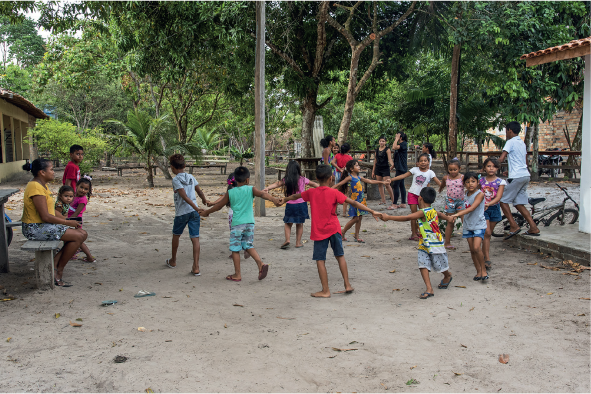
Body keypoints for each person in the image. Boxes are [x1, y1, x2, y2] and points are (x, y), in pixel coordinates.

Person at [279, 164, 380, 298]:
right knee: (340, 256)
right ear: (331, 178)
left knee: (320, 260)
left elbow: (296, 196)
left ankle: (325, 290)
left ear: (316, 178)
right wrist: (372, 210)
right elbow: (354, 203)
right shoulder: (334, 193)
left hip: (319, 231)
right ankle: (347, 284)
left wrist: (284, 199)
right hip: (334, 229)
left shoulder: (311, 192)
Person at [200, 166, 280, 282]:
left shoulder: (231, 192)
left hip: (237, 224)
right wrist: (274, 199)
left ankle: (237, 274)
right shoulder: (251, 189)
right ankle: (260, 264)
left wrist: (207, 212)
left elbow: (219, 205)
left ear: (235, 180)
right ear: (247, 180)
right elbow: (263, 195)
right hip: (250, 223)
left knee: (235, 249)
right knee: (248, 245)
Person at [378, 187, 454, 299]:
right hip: (424, 244)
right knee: (422, 264)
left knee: (440, 265)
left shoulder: (422, 212)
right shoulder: (433, 211)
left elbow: (407, 217)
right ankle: (429, 288)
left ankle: (448, 275)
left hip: (435, 244)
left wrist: (389, 217)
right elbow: (441, 215)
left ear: (420, 198)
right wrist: (449, 218)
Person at [21, 159, 86, 287]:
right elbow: (45, 216)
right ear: (42, 172)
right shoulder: (35, 187)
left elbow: (51, 211)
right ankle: (58, 270)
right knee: (78, 236)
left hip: (43, 225)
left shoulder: (42, 185)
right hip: (35, 228)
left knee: (82, 234)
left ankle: (55, 263)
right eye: (51, 169)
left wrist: (67, 220)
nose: (53, 172)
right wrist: (67, 222)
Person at [166, 154, 211, 276]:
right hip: (194, 213)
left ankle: (173, 260)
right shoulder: (191, 177)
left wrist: (197, 208)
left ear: (172, 168)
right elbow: (199, 190)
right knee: (195, 238)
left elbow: (184, 196)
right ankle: (196, 267)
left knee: (176, 235)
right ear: (185, 166)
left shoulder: (176, 180)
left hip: (182, 213)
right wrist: (204, 200)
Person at [264, 161, 319, 249]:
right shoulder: (303, 179)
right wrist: (323, 188)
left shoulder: (286, 179)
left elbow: (276, 184)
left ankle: (288, 240)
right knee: (300, 224)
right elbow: (314, 184)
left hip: (290, 204)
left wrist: (267, 188)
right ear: (298, 170)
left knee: (288, 223)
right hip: (302, 204)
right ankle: (298, 243)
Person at [498, 121, 540, 238]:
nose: (506, 134)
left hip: (516, 177)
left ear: (510, 130)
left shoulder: (510, 142)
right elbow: (524, 161)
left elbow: (501, 159)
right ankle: (533, 227)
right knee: (519, 203)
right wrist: (511, 171)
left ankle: (513, 225)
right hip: (525, 175)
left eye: (506, 131)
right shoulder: (522, 143)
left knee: (502, 200)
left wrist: (488, 166)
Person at [333, 159, 389, 243]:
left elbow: (370, 181)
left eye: (358, 165)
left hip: (361, 200)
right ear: (351, 169)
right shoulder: (350, 177)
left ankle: (356, 235)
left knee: (359, 218)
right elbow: (339, 184)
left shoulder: (359, 177)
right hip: (354, 201)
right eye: (356, 165)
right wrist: (327, 189)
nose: (359, 166)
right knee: (356, 218)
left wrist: (382, 182)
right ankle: (342, 232)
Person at [390, 153, 442, 240]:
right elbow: (403, 175)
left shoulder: (430, 172)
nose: (423, 162)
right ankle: (414, 233)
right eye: (421, 161)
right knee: (414, 215)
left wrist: (445, 186)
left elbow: (438, 182)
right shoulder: (414, 169)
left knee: (423, 214)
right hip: (412, 194)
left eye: (425, 161)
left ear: (428, 162)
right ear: (417, 163)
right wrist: (391, 179)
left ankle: (422, 231)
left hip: (423, 196)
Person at [454, 172, 488, 281]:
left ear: (478, 182)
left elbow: (472, 208)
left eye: (473, 181)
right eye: (467, 182)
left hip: (479, 224)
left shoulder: (480, 194)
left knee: (477, 247)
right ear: (464, 184)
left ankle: (483, 270)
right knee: (472, 250)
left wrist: (458, 214)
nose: (470, 184)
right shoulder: (464, 195)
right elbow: (462, 207)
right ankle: (478, 271)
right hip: (468, 226)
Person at [479, 158, 506, 270]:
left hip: (494, 208)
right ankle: (487, 258)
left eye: (494, 166)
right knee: (487, 232)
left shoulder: (501, 182)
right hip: (482, 209)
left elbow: (499, 197)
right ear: (484, 168)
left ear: (497, 168)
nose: (491, 168)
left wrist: (489, 204)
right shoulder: (480, 181)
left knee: (488, 235)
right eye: (489, 166)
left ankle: (483, 253)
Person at [438, 159, 464, 249]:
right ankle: (447, 242)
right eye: (450, 170)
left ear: (459, 168)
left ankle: (472, 239)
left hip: (461, 201)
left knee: (465, 220)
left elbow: (469, 186)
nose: (453, 171)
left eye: (455, 169)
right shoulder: (446, 178)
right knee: (450, 221)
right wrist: (440, 189)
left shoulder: (463, 178)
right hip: (450, 202)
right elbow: (442, 185)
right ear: (448, 169)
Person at [68, 176, 95, 262]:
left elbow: (76, 213)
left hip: (75, 221)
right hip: (70, 220)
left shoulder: (83, 199)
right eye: (81, 187)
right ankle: (71, 254)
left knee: (78, 240)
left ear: (88, 190)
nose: (83, 190)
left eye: (86, 189)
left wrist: (67, 220)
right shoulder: (73, 195)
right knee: (70, 238)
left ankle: (89, 256)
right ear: (77, 186)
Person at [372, 136, 396, 209]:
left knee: (387, 184)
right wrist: (373, 171)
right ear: (379, 142)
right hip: (378, 168)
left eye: (383, 141)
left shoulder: (387, 149)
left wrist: (393, 164)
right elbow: (375, 161)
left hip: (385, 168)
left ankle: (393, 201)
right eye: (380, 141)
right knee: (380, 184)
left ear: (385, 142)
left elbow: (390, 159)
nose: (381, 142)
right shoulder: (376, 150)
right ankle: (383, 200)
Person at [331, 143, 354, 216]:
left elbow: (332, 162)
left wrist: (339, 168)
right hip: (347, 175)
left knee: (336, 192)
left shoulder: (337, 155)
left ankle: (334, 211)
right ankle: (344, 212)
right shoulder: (350, 158)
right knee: (346, 193)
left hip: (338, 174)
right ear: (349, 150)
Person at [391, 132, 408, 208]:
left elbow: (393, 147)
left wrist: (396, 139)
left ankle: (394, 204)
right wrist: (393, 165)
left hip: (401, 168)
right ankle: (403, 203)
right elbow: (398, 156)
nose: (395, 138)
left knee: (396, 184)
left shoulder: (403, 144)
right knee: (401, 185)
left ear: (400, 138)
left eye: (397, 136)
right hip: (399, 167)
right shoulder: (401, 145)